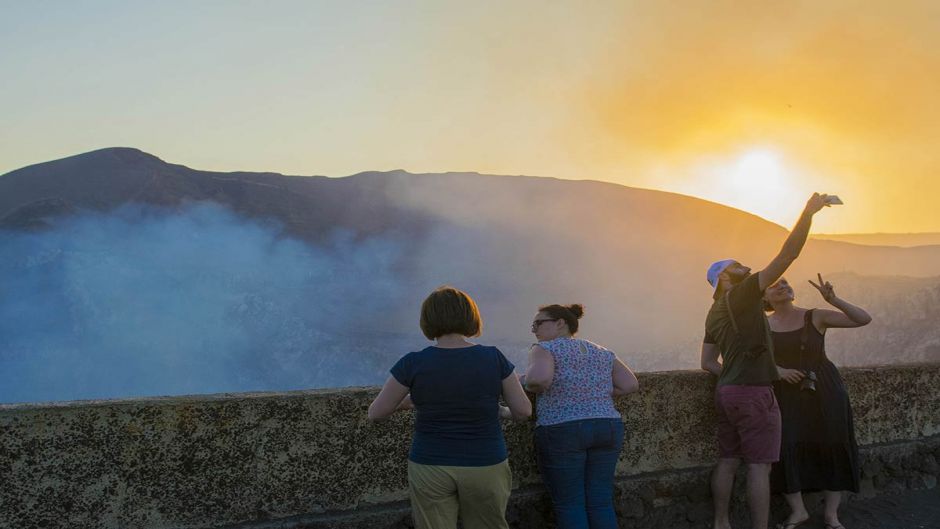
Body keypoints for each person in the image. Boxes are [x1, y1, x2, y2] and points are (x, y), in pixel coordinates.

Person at [700, 192, 832, 529]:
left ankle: (721, 523)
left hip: (727, 392)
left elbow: (707, 362)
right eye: (736, 266)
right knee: (759, 467)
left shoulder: (714, 312)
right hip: (754, 393)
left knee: (728, 461)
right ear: (724, 278)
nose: (744, 267)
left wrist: (734, 375)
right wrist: (808, 213)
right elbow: (788, 254)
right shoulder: (742, 294)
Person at [368, 286, 532, 529]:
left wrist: (412, 401)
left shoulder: (413, 362)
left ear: (428, 320)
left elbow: (376, 413)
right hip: (485, 461)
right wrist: (501, 411)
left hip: (430, 463)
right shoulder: (493, 357)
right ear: (470, 316)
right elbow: (523, 411)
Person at [763, 274, 871, 529]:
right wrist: (778, 371)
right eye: (774, 285)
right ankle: (798, 511)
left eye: (785, 282)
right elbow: (752, 357)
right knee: (785, 446)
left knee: (833, 442)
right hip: (785, 391)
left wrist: (834, 300)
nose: (782, 286)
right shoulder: (763, 325)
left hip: (824, 388)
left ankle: (831, 515)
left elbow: (863, 319)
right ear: (764, 298)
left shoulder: (815, 316)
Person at [523, 303, 639, 529]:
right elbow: (630, 384)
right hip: (607, 426)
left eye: (538, 323)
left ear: (560, 323)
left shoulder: (544, 348)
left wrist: (523, 381)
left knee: (570, 504)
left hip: (562, 428)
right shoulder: (601, 351)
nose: (534, 330)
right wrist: (594, 393)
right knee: (601, 502)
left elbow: (539, 379)